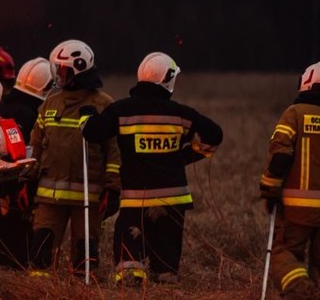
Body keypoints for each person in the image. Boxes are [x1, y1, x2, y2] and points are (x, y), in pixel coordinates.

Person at [83, 52, 222, 286]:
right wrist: (184, 157)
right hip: (174, 200)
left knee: (129, 242)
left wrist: (86, 116)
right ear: (168, 79)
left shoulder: (122, 111)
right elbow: (215, 135)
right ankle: (166, 279)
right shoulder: (181, 114)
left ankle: (131, 281)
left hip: (136, 198)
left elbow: (93, 132)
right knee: (167, 247)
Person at [25, 39, 121, 277]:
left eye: (62, 70)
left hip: (89, 197)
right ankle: (38, 290)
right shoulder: (50, 102)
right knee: (40, 252)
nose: (57, 74)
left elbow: (114, 151)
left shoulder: (103, 105)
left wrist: (113, 188)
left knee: (85, 254)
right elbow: (35, 145)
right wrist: (27, 180)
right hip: (49, 197)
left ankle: (81, 288)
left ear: (78, 70)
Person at [259, 62, 320, 299]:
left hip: (298, 208)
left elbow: (280, 155)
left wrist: (269, 190)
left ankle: (300, 290)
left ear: (305, 83)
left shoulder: (294, 114)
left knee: (283, 251)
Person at [0, 57, 54, 269]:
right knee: (16, 229)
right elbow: (32, 153)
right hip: (19, 182)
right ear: (47, 87)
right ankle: (12, 264)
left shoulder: (2, 106)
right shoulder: (31, 114)